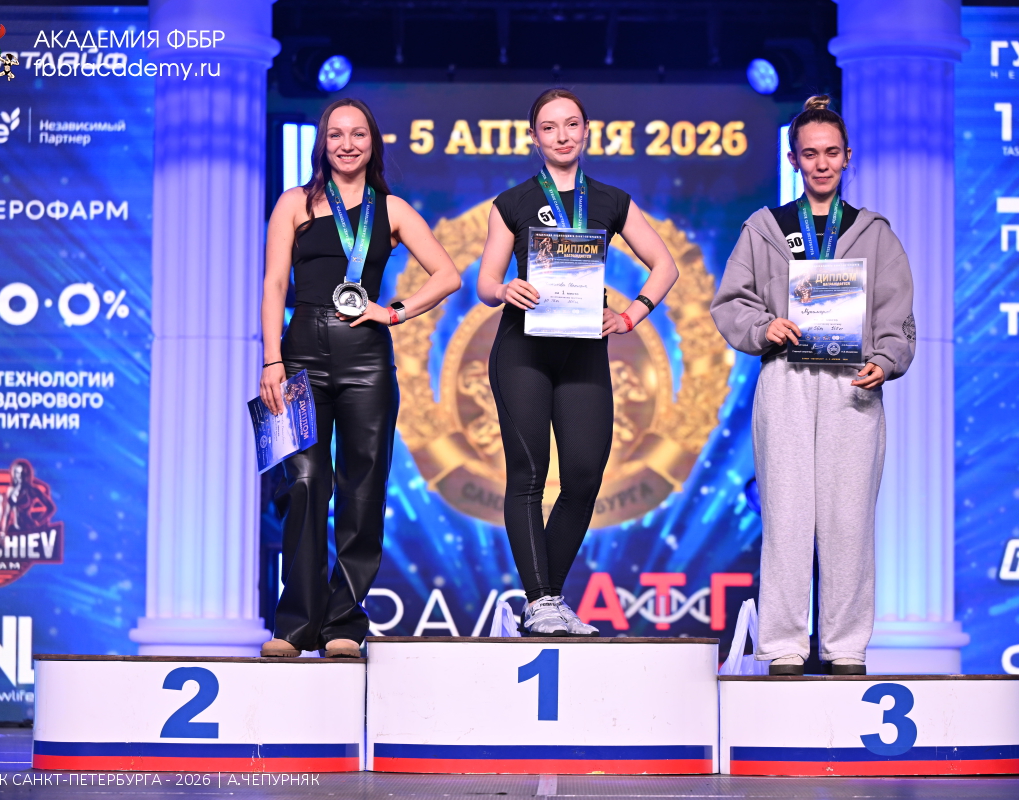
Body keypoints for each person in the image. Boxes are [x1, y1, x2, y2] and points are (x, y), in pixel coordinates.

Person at [710, 95, 915, 675]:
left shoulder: (874, 233)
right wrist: (763, 327)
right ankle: (784, 646)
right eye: (810, 154)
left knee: (849, 520)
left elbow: (897, 315)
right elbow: (730, 302)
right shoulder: (765, 228)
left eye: (831, 153)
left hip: (854, 382)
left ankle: (846, 647)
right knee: (786, 516)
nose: (821, 163)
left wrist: (886, 361)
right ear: (794, 159)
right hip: (787, 377)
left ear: (848, 157)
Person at [259, 98, 461, 658]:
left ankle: (344, 622)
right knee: (302, 484)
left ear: (373, 144)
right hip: (299, 354)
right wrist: (271, 359)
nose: (347, 144)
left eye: (358, 135)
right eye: (336, 134)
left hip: (367, 357)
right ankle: (294, 625)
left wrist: (392, 313)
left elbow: (447, 275)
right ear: (322, 144)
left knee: (363, 486)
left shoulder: (391, 209)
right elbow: (274, 283)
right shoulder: (294, 202)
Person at [476, 88, 679, 636]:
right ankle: (542, 602)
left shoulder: (611, 200)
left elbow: (665, 264)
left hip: (584, 349)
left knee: (585, 475)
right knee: (528, 475)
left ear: (587, 131)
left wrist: (633, 314)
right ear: (533, 137)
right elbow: (485, 283)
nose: (562, 135)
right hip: (522, 349)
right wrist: (505, 288)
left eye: (571, 125)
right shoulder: (512, 202)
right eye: (549, 127)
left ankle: (546, 598)